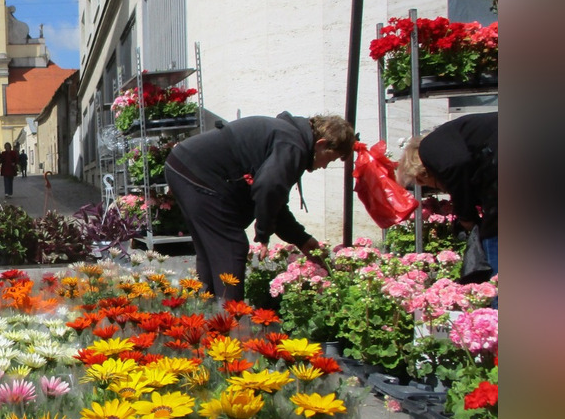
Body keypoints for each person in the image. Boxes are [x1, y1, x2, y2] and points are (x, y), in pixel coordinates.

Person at [163, 112, 356, 302]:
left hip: (184, 166)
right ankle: (229, 323)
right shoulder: (292, 146)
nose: (324, 166)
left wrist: (303, 240)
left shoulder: (289, 138)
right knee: (231, 246)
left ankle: (201, 316)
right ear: (321, 144)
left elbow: (275, 201)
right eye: (329, 159)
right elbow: (269, 188)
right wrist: (263, 234)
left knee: (212, 250)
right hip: (198, 174)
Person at [395, 112, 497, 275]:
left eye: (427, 184)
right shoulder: (461, 138)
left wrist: (466, 217)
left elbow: (456, 166)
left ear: (424, 173)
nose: (442, 190)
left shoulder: (429, 147)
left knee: (493, 234)